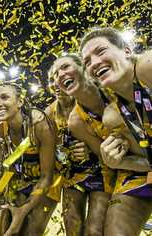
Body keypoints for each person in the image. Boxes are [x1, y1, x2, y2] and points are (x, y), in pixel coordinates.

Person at [80, 27, 152, 236]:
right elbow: (149, 163)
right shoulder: (112, 116)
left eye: (101, 51)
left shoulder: (147, 67)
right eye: (87, 62)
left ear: (127, 51)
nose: (94, 63)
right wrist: (118, 162)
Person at [50, 54, 113, 235]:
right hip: (72, 174)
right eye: (53, 77)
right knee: (72, 224)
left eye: (63, 71)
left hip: (101, 170)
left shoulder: (87, 99)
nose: (56, 81)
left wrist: (90, 149)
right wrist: (62, 152)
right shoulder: (49, 112)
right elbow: (47, 148)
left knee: (94, 230)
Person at [0, 82, 57, 236]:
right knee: (7, 227)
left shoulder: (40, 125)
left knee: (30, 231)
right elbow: (7, 170)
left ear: (20, 102)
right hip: (22, 181)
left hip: (49, 181)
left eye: (5, 97)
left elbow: (47, 177)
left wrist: (22, 211)